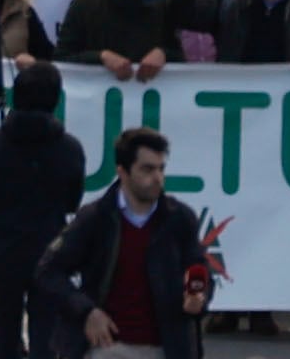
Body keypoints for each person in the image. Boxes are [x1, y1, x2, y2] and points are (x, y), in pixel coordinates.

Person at [30, 127, 212, 359]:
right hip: (108, 348)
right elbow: (48, 272)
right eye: (147, 169)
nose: (157, 177)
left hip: (167, 348)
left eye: (161, 169)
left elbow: (199, 267)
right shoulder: (95, 218)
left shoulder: (180, 219)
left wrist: (199, 296)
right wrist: (86, 312)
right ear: (123, 172)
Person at [0, 62, 85, 359]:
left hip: (0, 250)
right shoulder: (69, 149)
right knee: (45, 335)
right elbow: (72, 203)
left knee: (4, 333)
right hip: (49, 251)